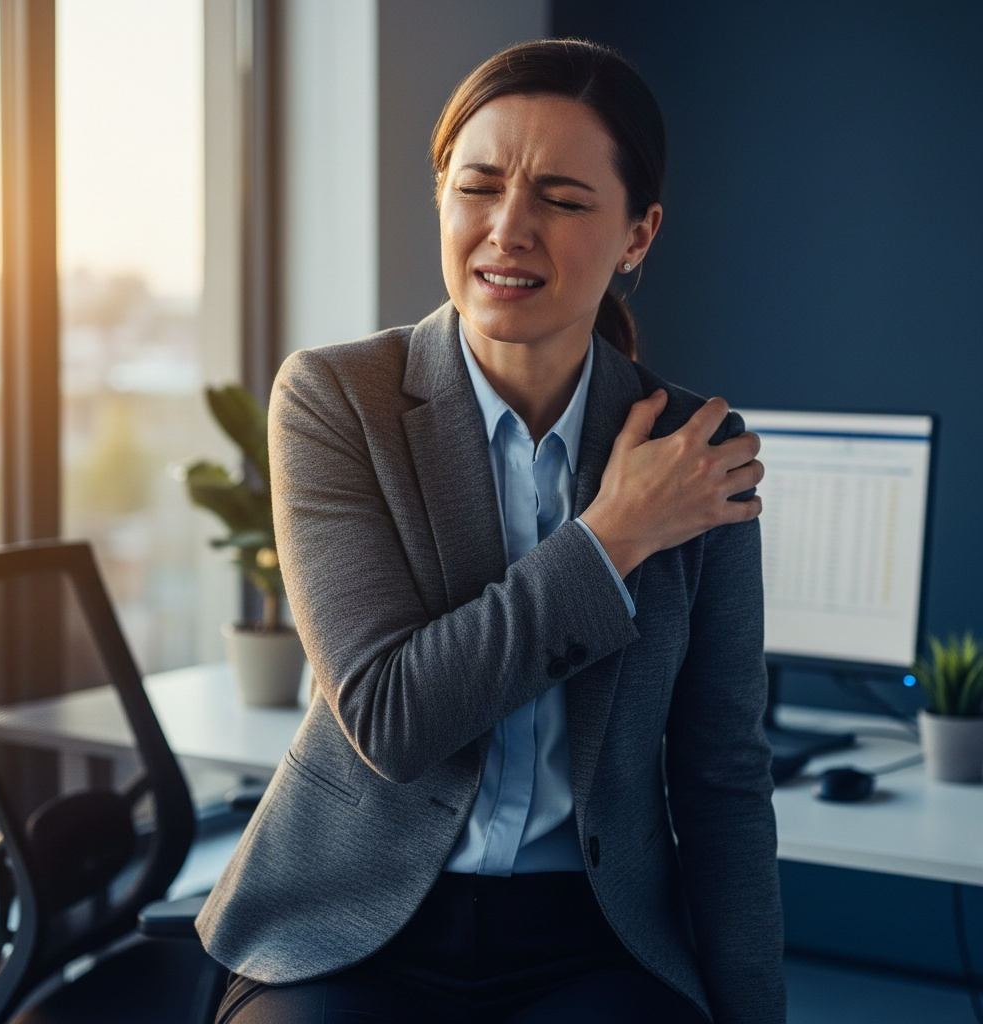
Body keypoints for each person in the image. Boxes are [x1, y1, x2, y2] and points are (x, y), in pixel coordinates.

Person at [197, 38, 786, 1024]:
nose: (507, 229)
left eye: (561, 199)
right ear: (442, 198)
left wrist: (753, 1011)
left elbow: (722, 773)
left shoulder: (696, 447)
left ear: (637, 235)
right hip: (349, 923)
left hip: (592, 932)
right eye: (477, 187)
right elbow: (393, 717)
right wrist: (611, 538)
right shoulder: (338, 399)